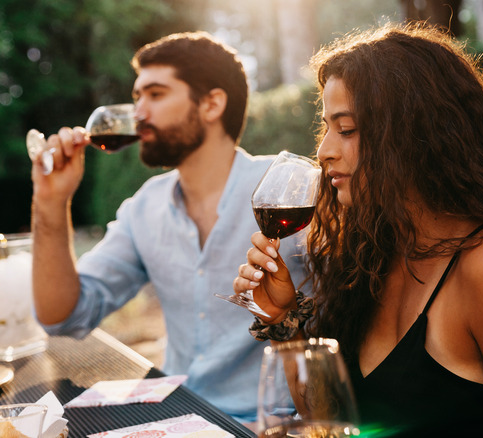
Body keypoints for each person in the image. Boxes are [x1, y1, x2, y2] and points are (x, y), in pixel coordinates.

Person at [233, 23, 483, 437]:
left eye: (348, 129)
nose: (323, 151)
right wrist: (284, 321)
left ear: (413, 134)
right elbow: (333, 421)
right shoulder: (375, 252)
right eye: (327, 128)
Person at [29, 31, 307, 423]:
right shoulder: (146, 206)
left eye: (156, 95)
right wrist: (51, 203)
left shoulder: (286, 194)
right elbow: (62, 315)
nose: (138, 111)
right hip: (179, 417)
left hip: (279, 425)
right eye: (137, 95)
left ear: (212, 104)